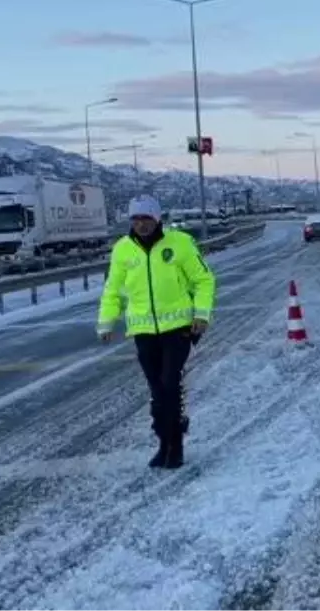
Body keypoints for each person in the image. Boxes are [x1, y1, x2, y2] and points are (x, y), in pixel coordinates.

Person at [97, 195, 215, 469]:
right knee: (158, 390)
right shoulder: (122, 250)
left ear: (157, 218)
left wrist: (201, 314)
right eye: (136, 219)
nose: (141, 224)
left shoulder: (180, 243)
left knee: (169, 384)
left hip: (179, 329)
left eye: (146, 218)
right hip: (143, 331)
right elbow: (112, 290)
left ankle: (174, 448)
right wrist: (106, 322)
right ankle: (165, 442)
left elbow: (203, 280)